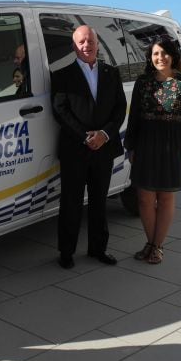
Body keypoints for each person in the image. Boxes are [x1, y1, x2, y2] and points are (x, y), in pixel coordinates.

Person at [51, 25, 126, 269]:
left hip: (103, 149)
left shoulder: (111, 73)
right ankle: (66, 252)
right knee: (71, 203)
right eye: (81, 42)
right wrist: (86, 137)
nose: (87, 45)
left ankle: (98, 249)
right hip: (75, 149)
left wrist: (104, 135)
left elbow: (119, 109)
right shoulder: (61, 75)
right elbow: (60, 110)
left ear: (97, 43)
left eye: (90, 40)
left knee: (99, 202)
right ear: (74, 47)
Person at [124, 37, 181, 265]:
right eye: (156, 53)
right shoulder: (142, 82)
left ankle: (157, 246)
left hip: (173, 147)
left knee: (166, 197)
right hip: (146, 145)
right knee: (145, 199)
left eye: (165, 53)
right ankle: (150, 242)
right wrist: (131, 146)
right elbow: (134, 117)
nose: (160, 58)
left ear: (173, 56)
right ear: (150, 57)